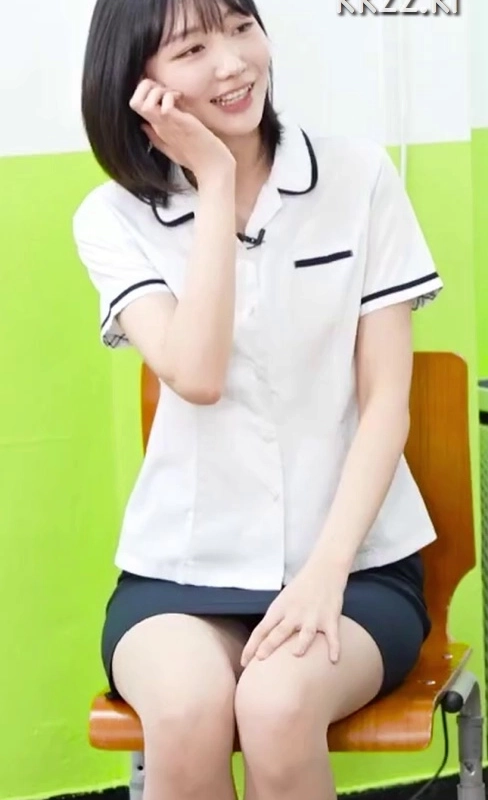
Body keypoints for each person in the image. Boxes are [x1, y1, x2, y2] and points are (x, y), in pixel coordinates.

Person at [73, 0, 443, 798]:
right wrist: (213, 183)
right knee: (184, 711)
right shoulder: (112, 218)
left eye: (242, 28)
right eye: (191, 49)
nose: (233, 62)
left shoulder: (359, 176)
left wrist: (325, 573)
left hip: (355, 565)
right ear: (138, 82)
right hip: (180, 572)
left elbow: (386, 401)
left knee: (276, 706)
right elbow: (197, 375)